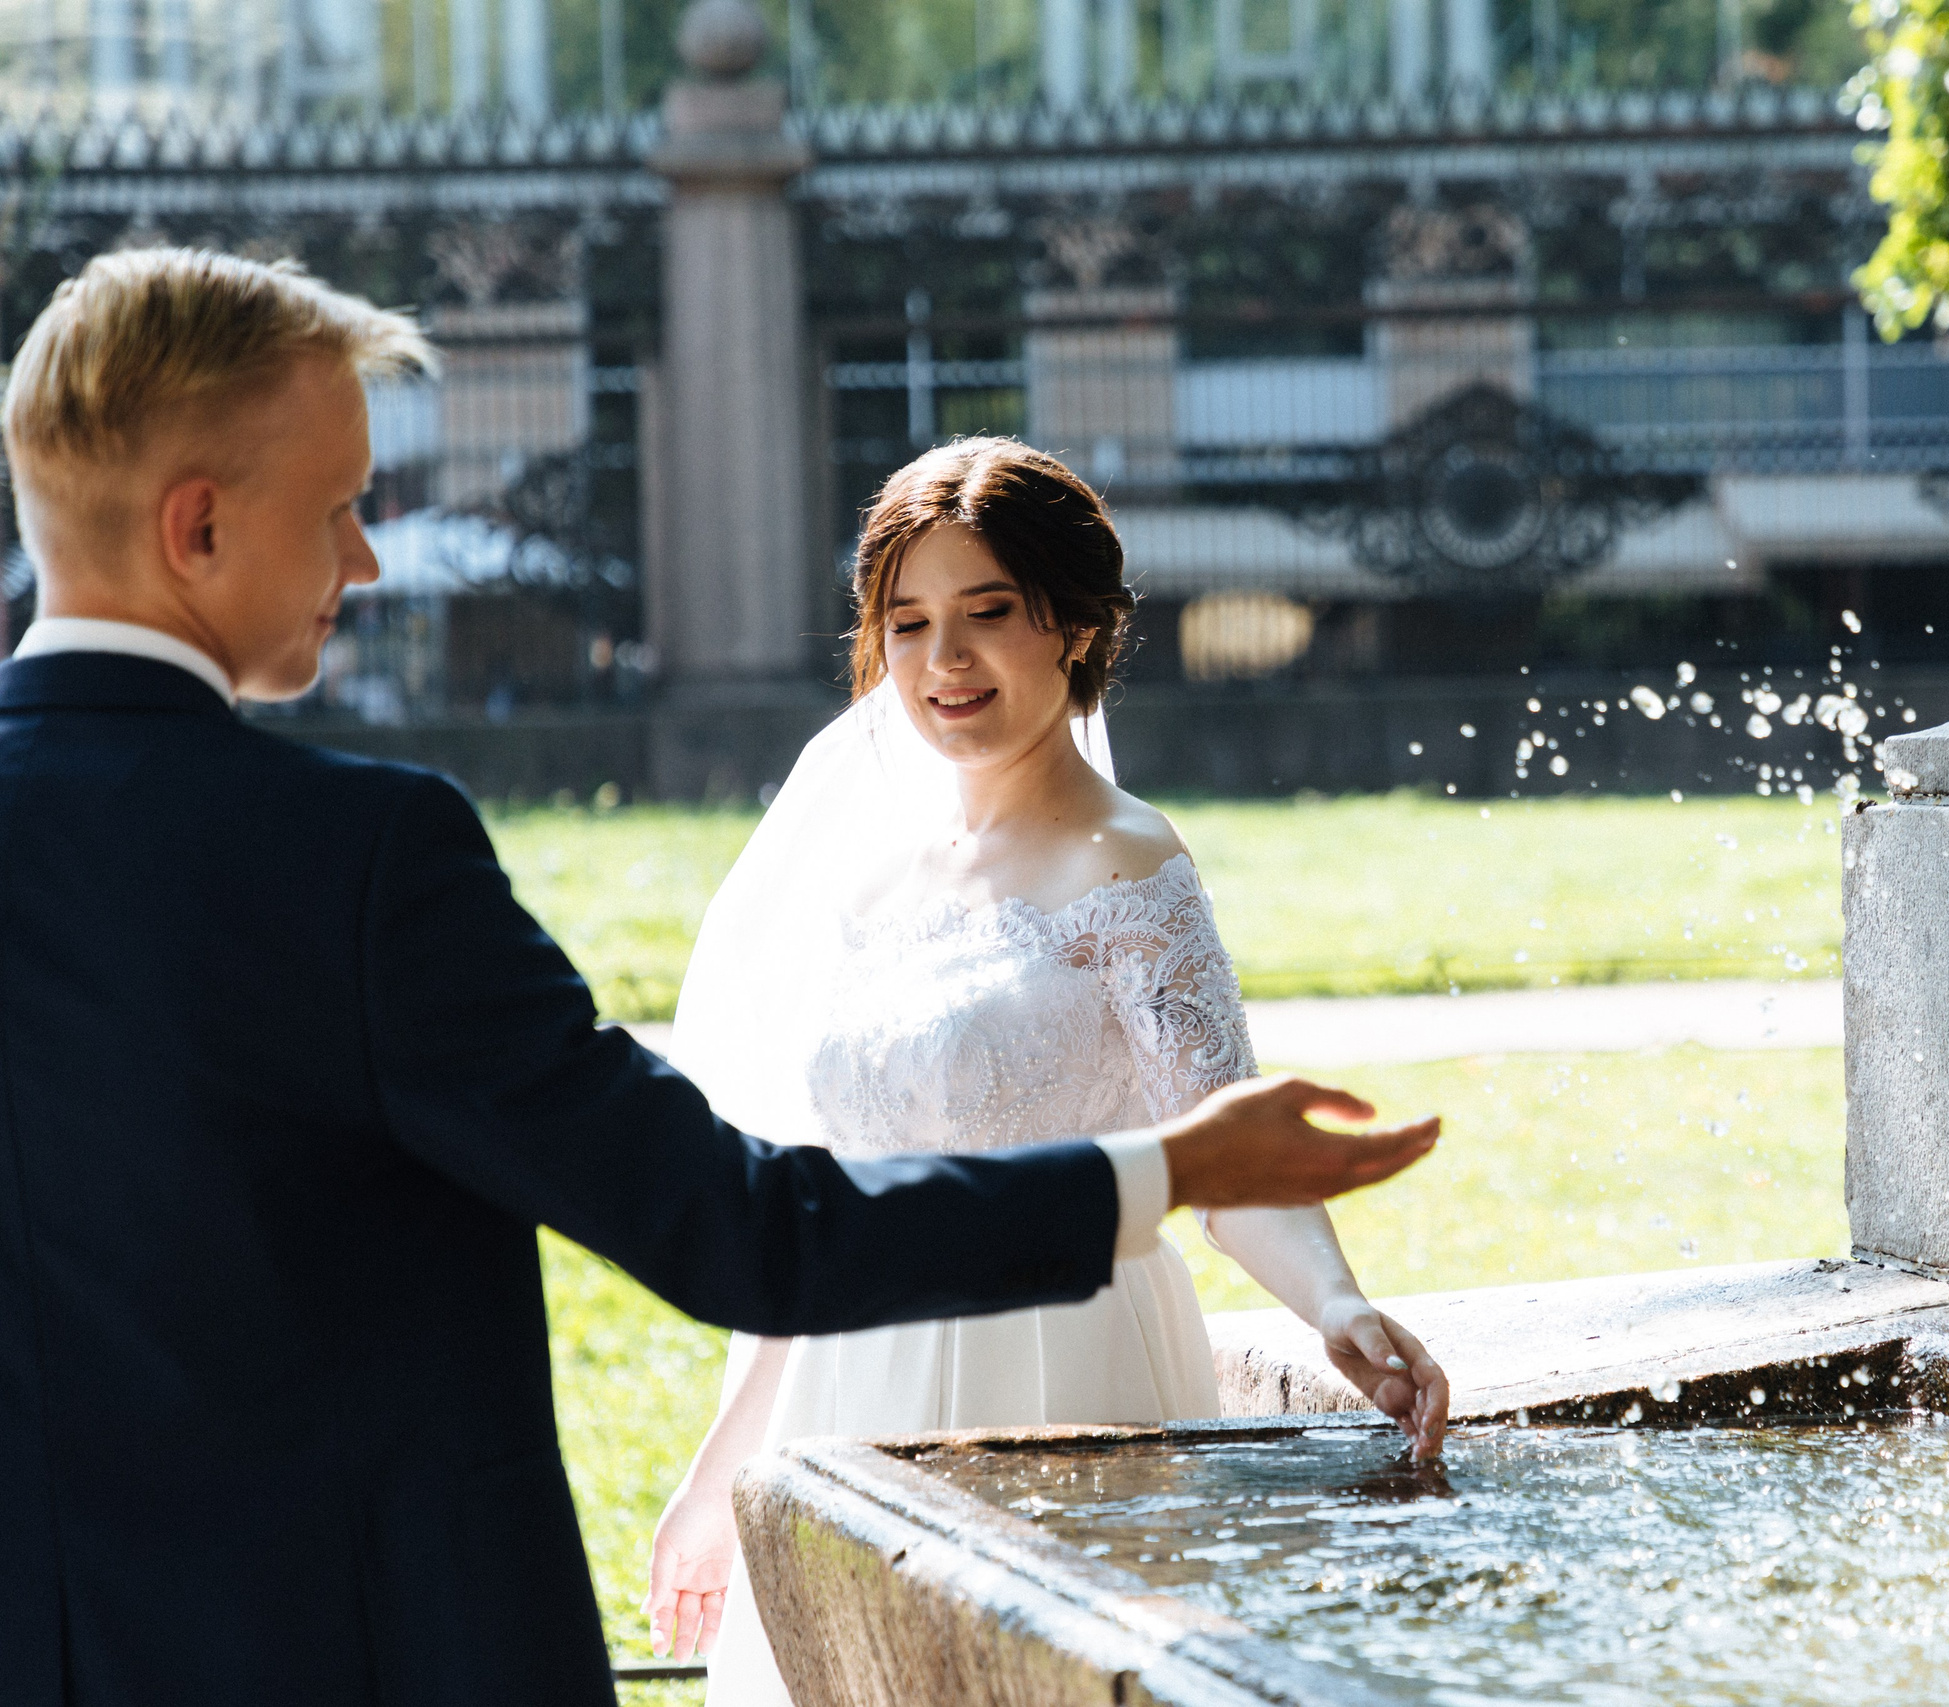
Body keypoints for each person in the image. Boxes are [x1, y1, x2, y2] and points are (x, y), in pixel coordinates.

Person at [0, 247, 1439, 1707]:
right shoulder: (359, 858)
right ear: (197, 526)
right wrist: (1159, 1173)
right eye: (340, 508)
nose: (365, 558)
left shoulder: (1130, 861)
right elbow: (732, 1216)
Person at [643, 437, 1450, 1701]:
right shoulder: (868, 880)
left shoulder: (1129, 866)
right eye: (906, 624)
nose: (942, 663)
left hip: (1066, 1365)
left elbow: (1224, 1152)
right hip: (857, 1379)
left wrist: (1339, 1304)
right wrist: (718, 1473)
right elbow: (812, 1201)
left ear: (1072, 628)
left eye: (986, 615)